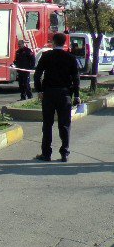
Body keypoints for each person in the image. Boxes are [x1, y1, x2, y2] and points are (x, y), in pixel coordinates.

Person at [33, 33, 80, 162]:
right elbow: (75, 78)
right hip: (65, 94)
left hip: (48, 94)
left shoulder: (46, 56)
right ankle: (64, 153)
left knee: (47, 124)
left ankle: (46, 153)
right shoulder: (70, 57)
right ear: (64, 43)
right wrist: (76, 95)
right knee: (64, 124)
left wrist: (39, 90)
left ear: (53, 42)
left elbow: (37, 74)